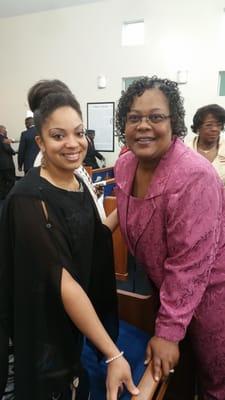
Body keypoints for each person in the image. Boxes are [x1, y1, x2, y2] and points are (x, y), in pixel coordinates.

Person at [0, 79, 139, 400]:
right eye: (58, 136)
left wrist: (128, 198)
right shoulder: (29, 199)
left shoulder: (77, 180)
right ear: (40, 141)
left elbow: (96, 236)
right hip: (45, 321)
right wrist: (113, 354)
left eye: (79, 133)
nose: (73, 143)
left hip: (74, 315)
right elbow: (61, 281)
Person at [114, 76, 225, 399]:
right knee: (179, 374)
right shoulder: (124, 166)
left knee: (215, 381)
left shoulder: (194, 175)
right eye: (134, 117)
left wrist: (168, 332)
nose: (144, 125)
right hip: (163, 288)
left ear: (173, 122)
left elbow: (189, 264)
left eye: (156, 117)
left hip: (212, 293)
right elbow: (126, 211)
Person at [185, 104, 225, 185]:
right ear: (198, 127)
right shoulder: (184, 150)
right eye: (209, 125)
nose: (215, 129)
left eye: (218, 125)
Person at [0, 125, 16, 201]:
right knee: (11, 180)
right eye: (5, 129)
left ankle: (2, 196)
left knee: (2, 181)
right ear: (2, 130)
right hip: (7, 164)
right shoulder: (4, 139)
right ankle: (9, 196)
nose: (6, 131)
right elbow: (7, 149)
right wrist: (14, 152)